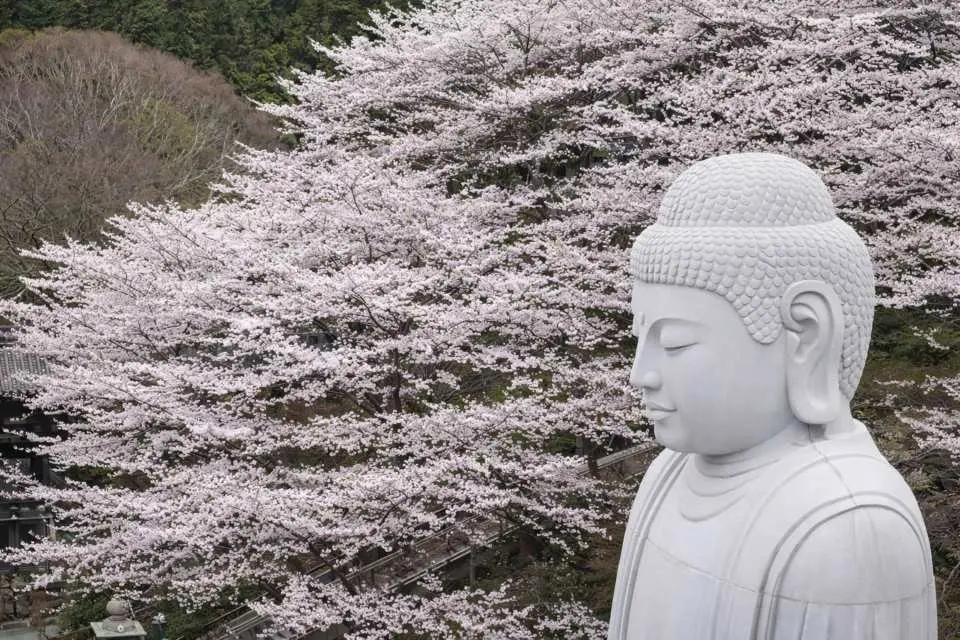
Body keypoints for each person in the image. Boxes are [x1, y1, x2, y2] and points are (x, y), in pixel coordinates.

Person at [608, 153, 936, 639]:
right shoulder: (669, 472)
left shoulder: (848, 525)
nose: (641, 374)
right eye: (641, 338)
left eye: (674, 342)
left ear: (805, 335)